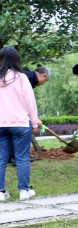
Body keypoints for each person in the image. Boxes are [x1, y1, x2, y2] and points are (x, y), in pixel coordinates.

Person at [0, 47, 42, 201]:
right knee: (22, 158)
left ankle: (1, 192)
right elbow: (30, 102)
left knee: (1, 159)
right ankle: (24, 191)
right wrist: (35, 122)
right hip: (21, 124)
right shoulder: (22, 77)